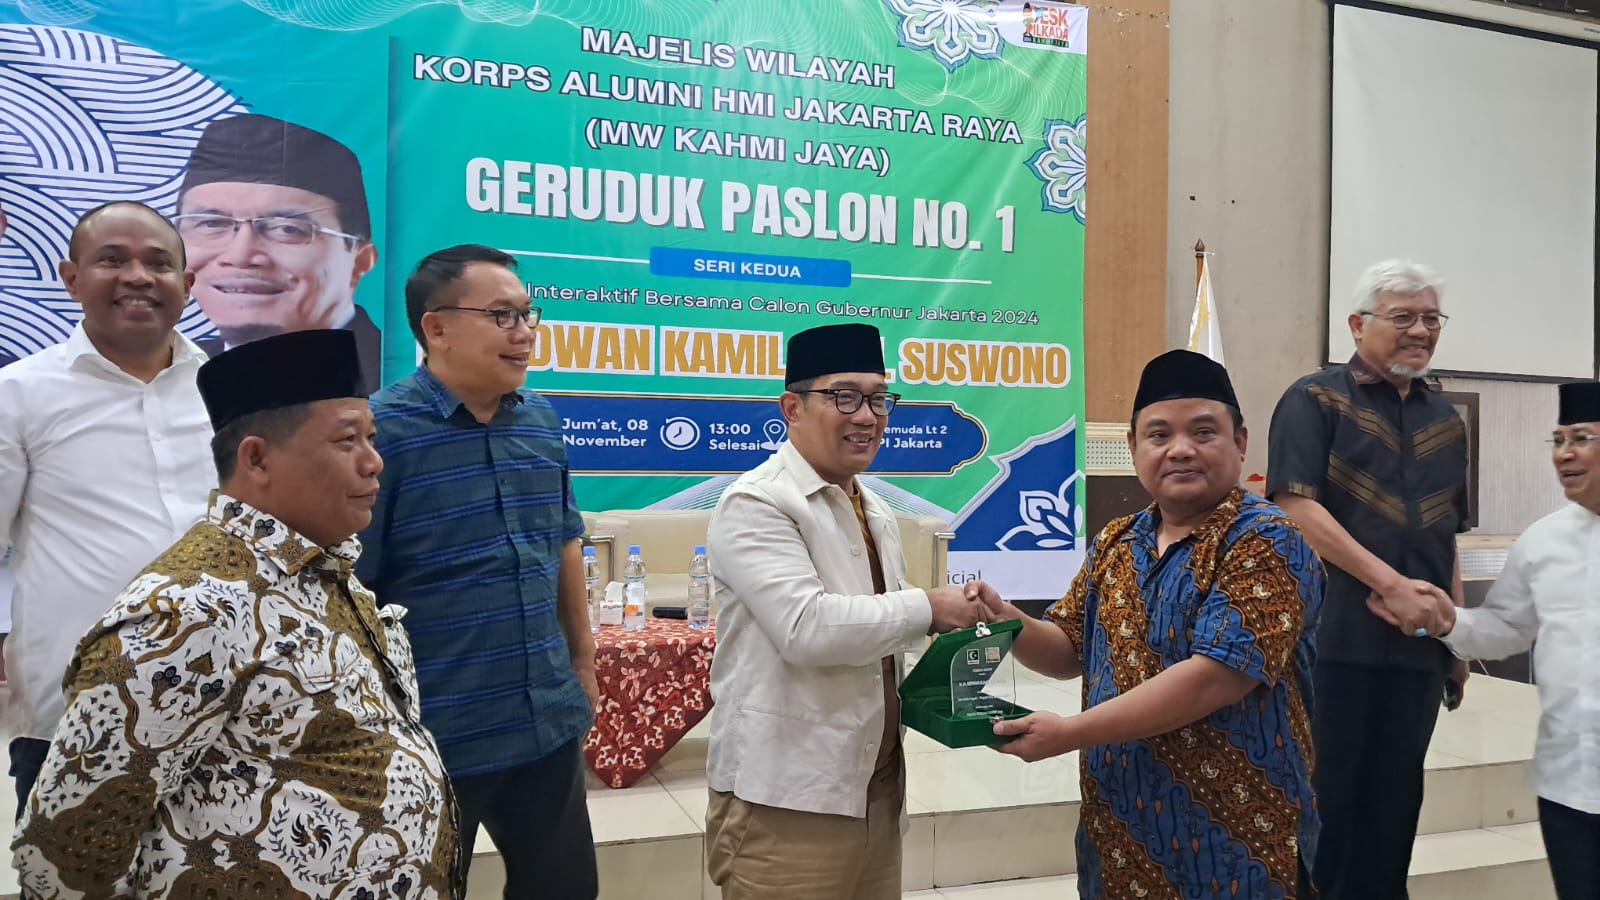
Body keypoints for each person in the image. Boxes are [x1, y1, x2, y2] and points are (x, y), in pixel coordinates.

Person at [11, 328, 459, 898]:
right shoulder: (183, 612)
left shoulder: (326, 571)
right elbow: (64, 855)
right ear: (256, 458)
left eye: (371, 438)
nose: (374, 463)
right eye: (347, 440)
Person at [972, 349, 1323, 898]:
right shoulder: (1116, 540)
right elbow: (1067, 648)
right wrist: (1007, 619)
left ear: (1240, 442)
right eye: (1159, 435)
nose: (1180, 449)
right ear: (1134, 446)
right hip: (1120, 837)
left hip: (1236, 846)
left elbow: (1214, 677)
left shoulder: (1267, 539)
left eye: (1203, 432)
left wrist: (1068, 733)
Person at [703, 322, 989, 900]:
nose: (868, 416)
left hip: (874, 789)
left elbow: (874, 631)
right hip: (786, 800)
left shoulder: (873, 506)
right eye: (845, 396)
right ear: (792, 408)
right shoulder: (757, 502)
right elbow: (807, 629)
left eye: (879, 399)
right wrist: (928, 607)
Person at [356, 244, 596, 899]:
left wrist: (582, 662)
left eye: (527, 314)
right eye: (501, 316)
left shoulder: (540, 421)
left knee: (566, 890)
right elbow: (355, 589)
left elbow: (564, 542)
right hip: (436, 730)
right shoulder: (380, 434)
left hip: (545, 717)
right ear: (436, 328)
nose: (523, 333)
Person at [0, 201, 213, 812]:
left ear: (186, 284)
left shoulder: (226, 390)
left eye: (159, 264)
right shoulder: (19, 394)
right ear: (71, 279)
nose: (138, 277)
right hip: (77, 714)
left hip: (220, 708)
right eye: (112, 260)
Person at [1267, 259, 1470, 899]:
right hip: (1333, 641)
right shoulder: (1315, 399)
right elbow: (1295, 507)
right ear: (1357, 325)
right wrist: (1391, 585)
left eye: (1431, 318)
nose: (1421, 330)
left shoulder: (1447, 419)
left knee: (1395, 807)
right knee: (1326, 806)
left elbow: (1447, 534)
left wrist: (1458, 636)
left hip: (1418, 650)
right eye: (1403, 316)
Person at [1415, 380, 1600, 900]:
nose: (1564, 454)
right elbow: (1505, 629)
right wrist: (1447, 621)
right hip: (1568, 787)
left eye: (1581, 439)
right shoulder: (1543, 540)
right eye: (1558, 440)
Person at [176, 113, 382, 392]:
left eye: (287, 229)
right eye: (212, 224)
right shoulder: (173, 371)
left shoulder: (394, 377)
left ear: (360, 261)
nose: (240, 256)